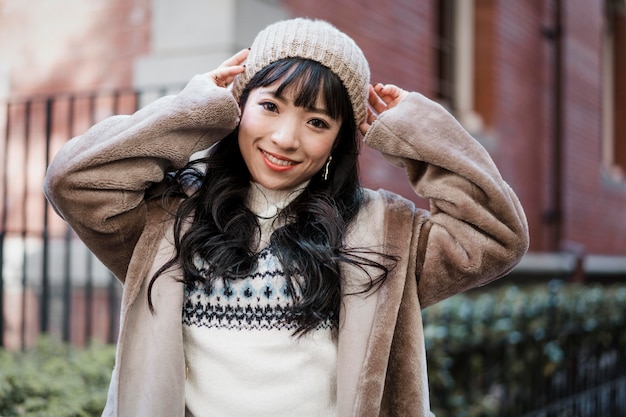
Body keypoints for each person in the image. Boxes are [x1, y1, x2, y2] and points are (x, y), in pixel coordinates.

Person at [44, 17, 529, 417]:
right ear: (240, 107)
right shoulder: (170, 219)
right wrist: (196, 113)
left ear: (341, 139)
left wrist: (415, 134)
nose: (285, 138)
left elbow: (496, 235)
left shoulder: (383, 231)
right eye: (270, 106)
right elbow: (73, 180)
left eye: (317, 121)